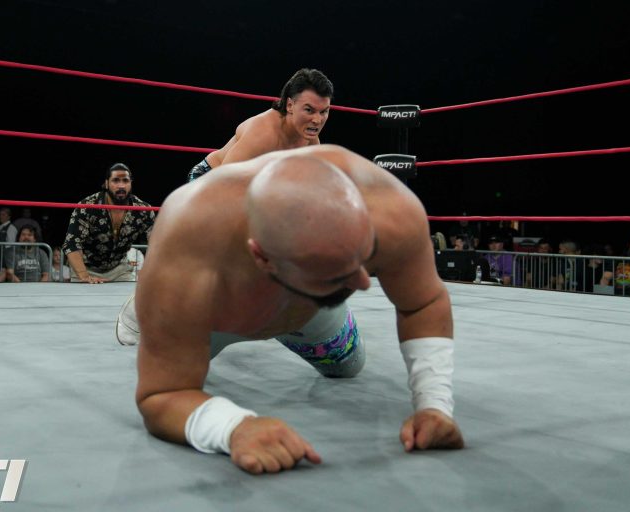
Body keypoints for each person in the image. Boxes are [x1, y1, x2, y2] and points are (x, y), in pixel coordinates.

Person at [117, 145, 464, 475]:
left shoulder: (390, 209)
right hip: (219, 315)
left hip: (308, 310)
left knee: (348, 366)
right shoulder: (189, 246)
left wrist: (434, 406)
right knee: (180, 364)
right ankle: (149, 308)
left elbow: (423, 302)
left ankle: (317, 293)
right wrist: (234, 428)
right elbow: (162, 395)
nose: (362, 283)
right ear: (262, 257)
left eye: (363, 258)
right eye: (335, 274)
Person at [187, 68, 333, 181]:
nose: (317, 120)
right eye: (309, 110)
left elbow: (314, 181)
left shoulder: (309, 137)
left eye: (323, 111)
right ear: (290, 105)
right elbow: (224, 181)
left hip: (254, 186)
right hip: (208, 178)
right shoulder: (263, 133)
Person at [63, 163, 156, 283]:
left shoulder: (143, 210)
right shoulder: (87, 207)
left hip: (120, 269)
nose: (121, 185)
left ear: (131, 183)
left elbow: (158, 243)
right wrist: (84, 276)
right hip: (86, 268)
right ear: (106, 183)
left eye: (125, 181)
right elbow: (71, 243)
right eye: (116, 180)